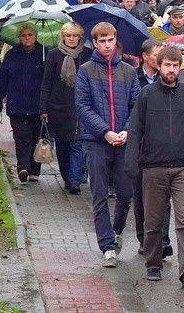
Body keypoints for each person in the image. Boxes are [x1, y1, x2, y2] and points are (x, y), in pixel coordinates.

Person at [124, 46, 184, 290]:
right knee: (153, 221)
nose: (171, 70)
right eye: (167, 65)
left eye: (175, 65)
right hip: (153, 166)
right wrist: (131, 163)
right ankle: (153, 263)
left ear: (179, 67)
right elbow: (135, 130)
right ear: (159, 67)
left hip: (183, 166)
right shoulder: (147, 94)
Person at [75, 22, 140, 268]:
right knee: (100, 194)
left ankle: (117, 229)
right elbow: (82, 105)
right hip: (97, 142)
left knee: (125, 192)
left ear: (115, 40)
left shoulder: (128, 70)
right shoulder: (86, 70)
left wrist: (125, 130)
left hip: (123, 141)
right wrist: (105, 132)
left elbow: (136, 104)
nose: (106, 45)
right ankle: (107, 246)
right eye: (101, 40)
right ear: (95, 42)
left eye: (110, 40)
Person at [39, 22, 93, 194]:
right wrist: (43, 109)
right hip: (58, 106)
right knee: (62, 144)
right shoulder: (54, 54)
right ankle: (66, 176)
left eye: (75, 36)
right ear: (63, 36)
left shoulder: (87, 54)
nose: (71, 39)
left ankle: (74, 180)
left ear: (79, 37)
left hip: (79, 105)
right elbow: (46, 83)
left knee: (77, 143)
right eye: (68, 35)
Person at [132, 39, 173, 258]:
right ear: (146, 56)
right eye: (157, 54)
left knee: (163, 195)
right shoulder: (133, 77)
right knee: (141, 195)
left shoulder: (166, 79)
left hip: (163, 145)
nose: (161, 59)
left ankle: (163, 239)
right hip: (140, 144)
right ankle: (143, 237)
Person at [0, 24, 45, 184]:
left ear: (35, 36)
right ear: (19, 38)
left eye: (30, 35)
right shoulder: (12, 55)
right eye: (24, 36)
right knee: (23, 137)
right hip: (17, 104)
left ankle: (35, 170)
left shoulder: (44, 54)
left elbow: (49, 81)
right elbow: (2, 78)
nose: (27, 38)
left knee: (36, 137)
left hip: (38, 105)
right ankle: (23, 167)